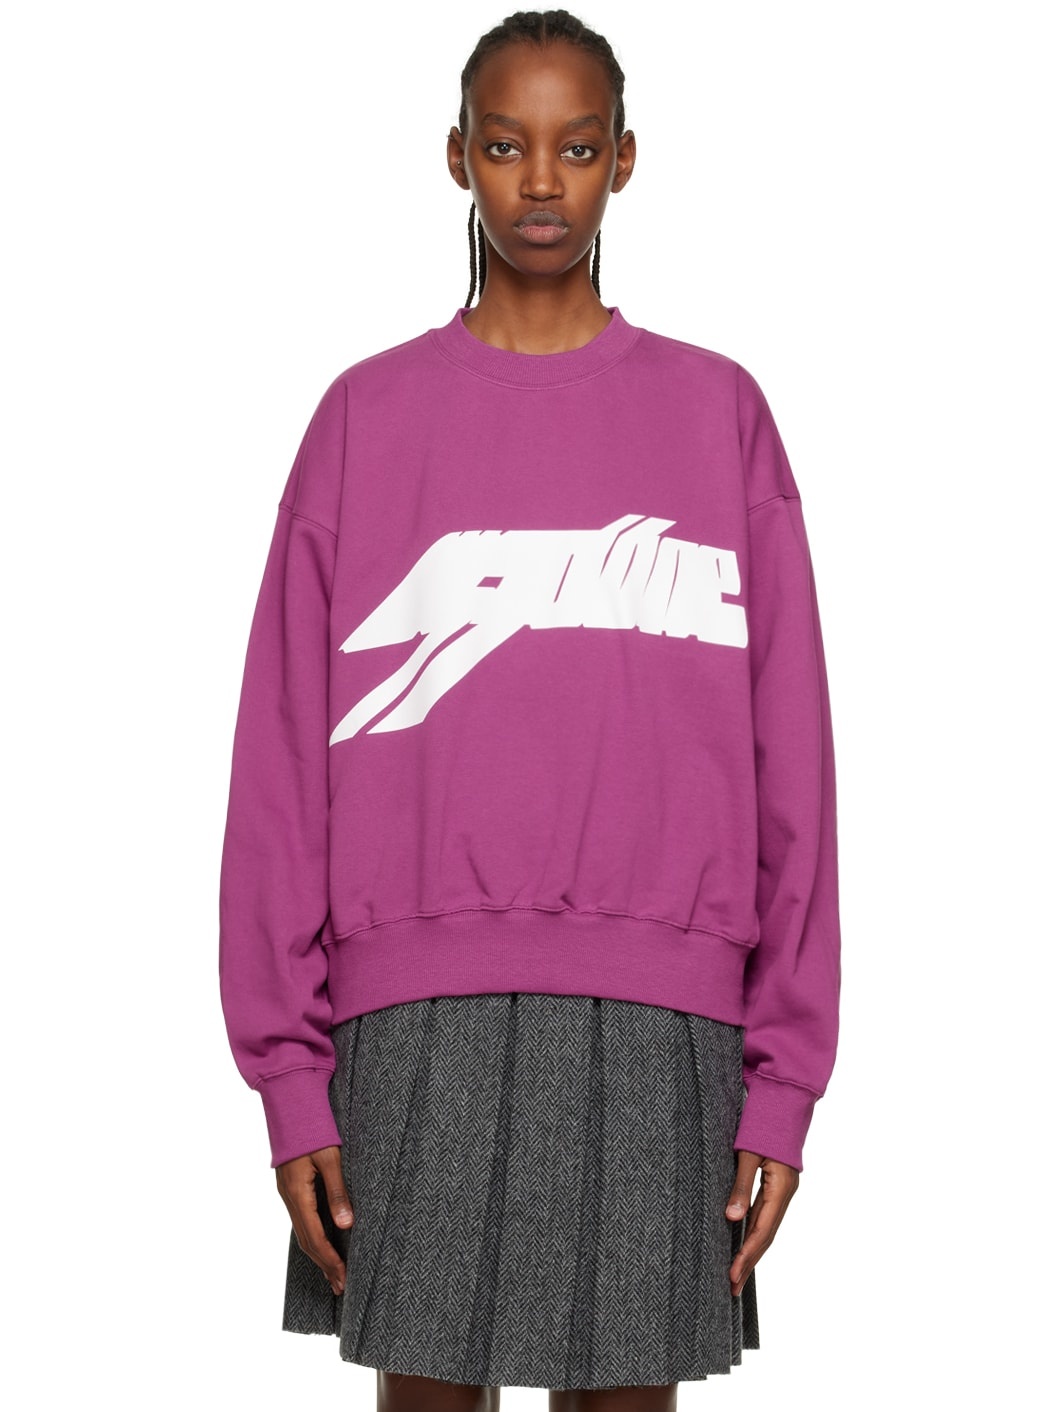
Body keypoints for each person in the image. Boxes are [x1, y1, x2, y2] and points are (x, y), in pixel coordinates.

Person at [218, 9, 841, 1410]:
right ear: (457, 157)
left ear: (627, 159)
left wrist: (786, 1076)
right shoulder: (365, 418)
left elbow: (793, 760)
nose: (542, 182)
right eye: (507, 147)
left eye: (576, 146)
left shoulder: (720, 415)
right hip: (411, 1014)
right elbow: (279, 768)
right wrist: (289, 1073)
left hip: (663, 1017)